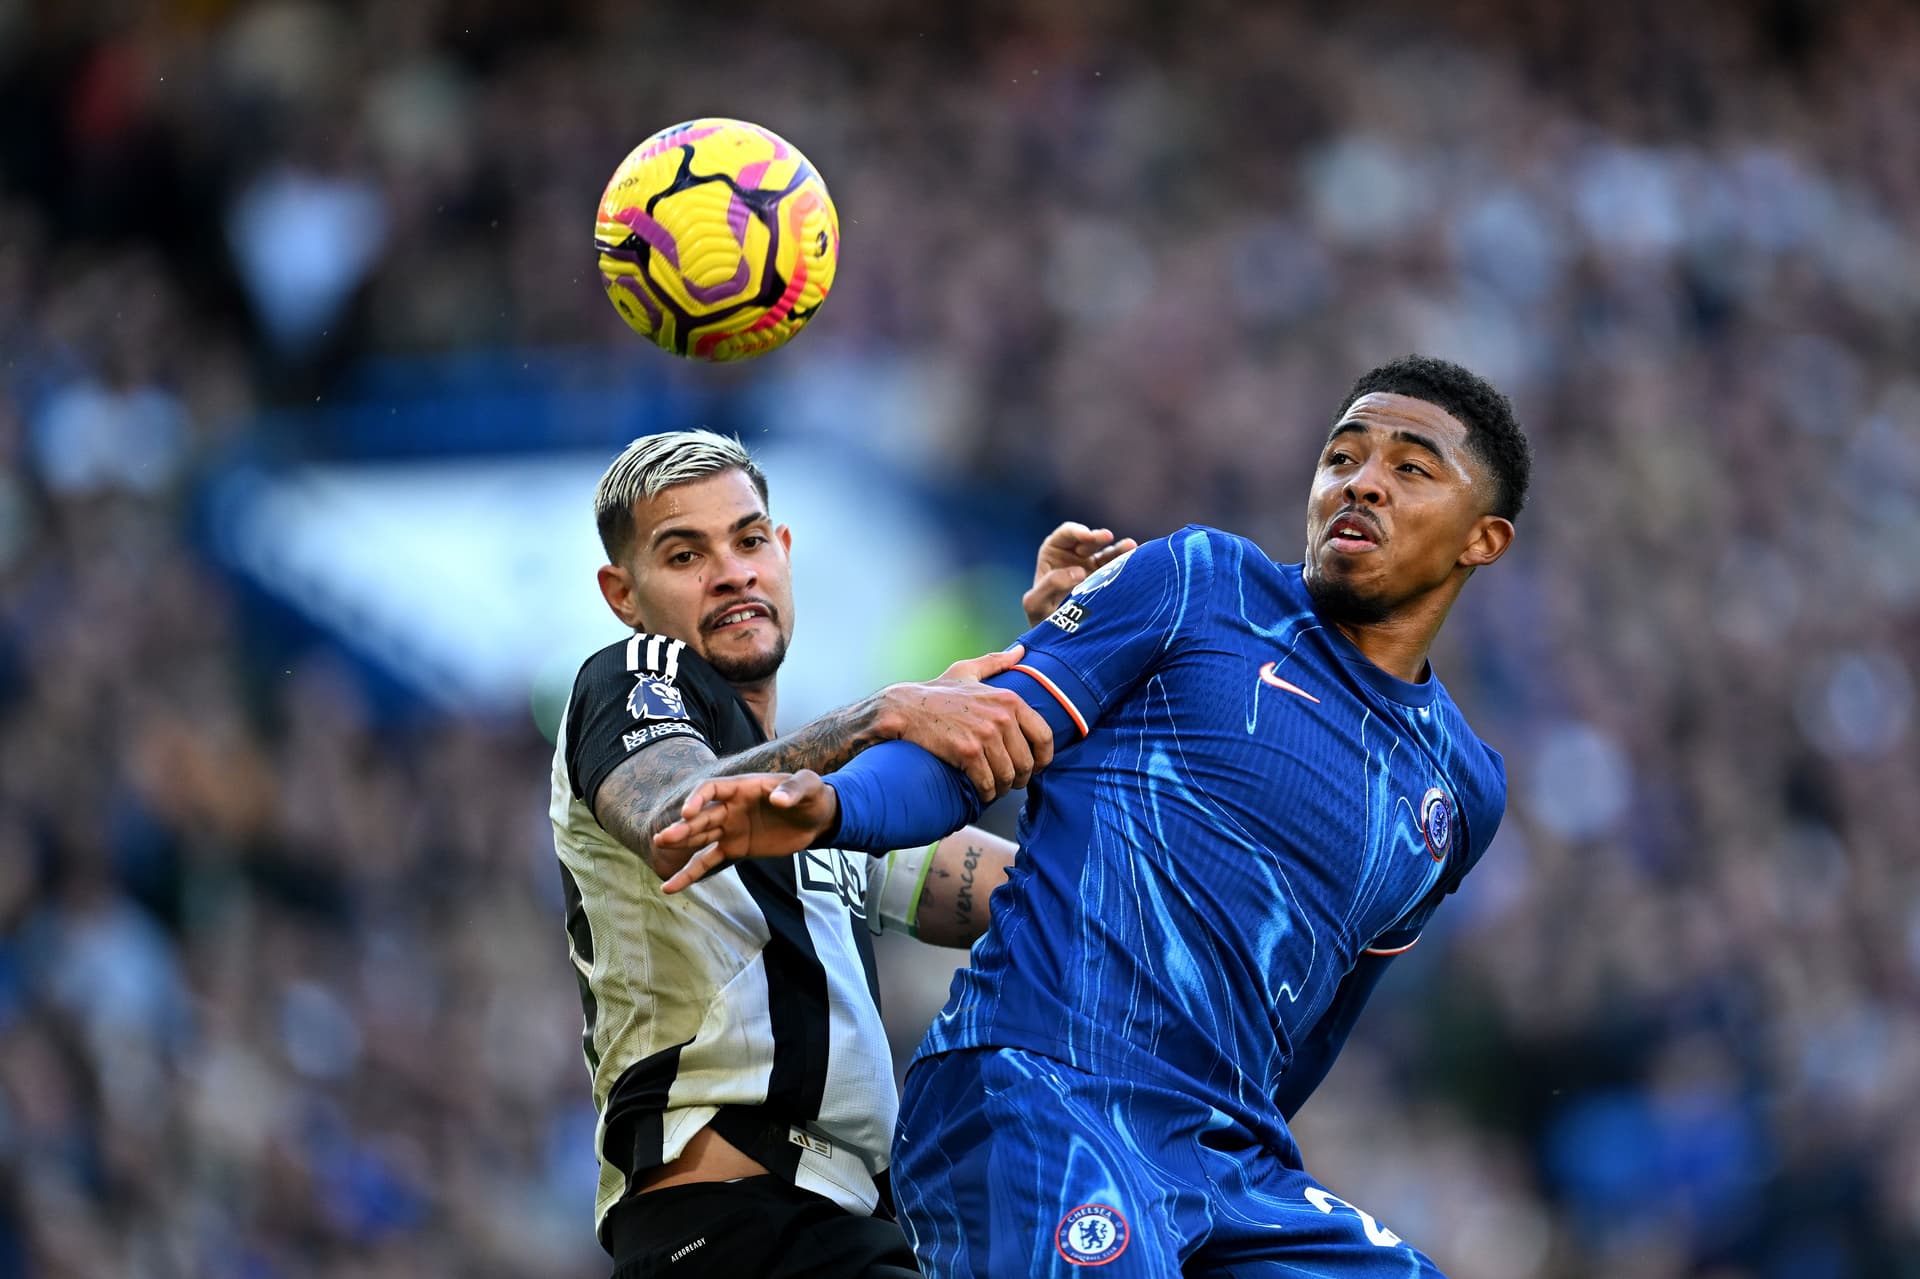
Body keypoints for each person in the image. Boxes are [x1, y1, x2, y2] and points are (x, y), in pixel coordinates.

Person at [651, 356, 1532, 1276]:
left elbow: (1320, 1020)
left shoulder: (1461, 789)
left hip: (1224, 1158)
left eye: (1411, 468)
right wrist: (834, 804)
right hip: (1041, 1082)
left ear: (1485, 539)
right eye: (1342, 456)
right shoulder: (1201, 582)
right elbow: (971, 748)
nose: (1362, 482)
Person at [549, 428, 1132, 1278]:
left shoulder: (819, 803)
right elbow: (678, 811)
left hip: (838, 1228)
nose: (732, 571)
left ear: (782, 553)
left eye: (749, 540)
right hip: (733, 1228)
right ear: (623, 593)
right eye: (684, 554)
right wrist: (884, 714)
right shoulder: (632, 675)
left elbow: (1043, 896)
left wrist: (1071, 664)